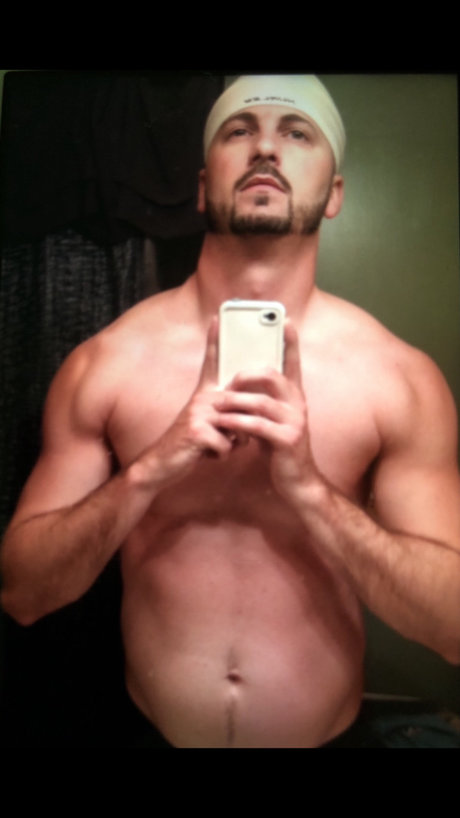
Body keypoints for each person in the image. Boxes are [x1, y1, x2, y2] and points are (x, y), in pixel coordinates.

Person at [1, 75, 460, 748]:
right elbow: (22, 595)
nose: (265, 148)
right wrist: (152, 469)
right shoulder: (106, 363)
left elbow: (453, 629)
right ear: (200, 187)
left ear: (334, 194)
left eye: (297, 133)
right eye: (239, 131)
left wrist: (310, 490)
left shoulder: (400, 380)